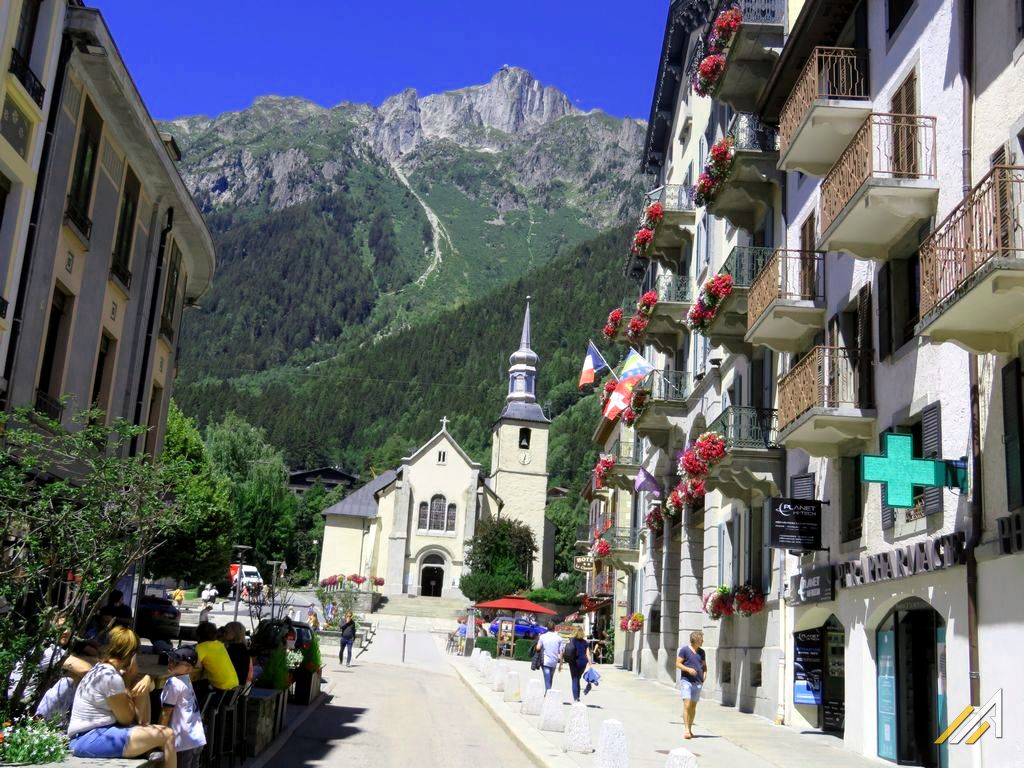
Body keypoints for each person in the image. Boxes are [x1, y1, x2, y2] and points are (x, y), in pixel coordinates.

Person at [67, 626, 176, 766]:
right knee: (167, 735)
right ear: (131, 654)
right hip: (89, 739)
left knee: (157, 732)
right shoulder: (111, 677)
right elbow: (126, 718)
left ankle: (150, 748)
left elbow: (140, 718)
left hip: (89, 736)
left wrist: (147, 680)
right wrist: (130, 680)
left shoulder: (101, 669)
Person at [159, 646, 205, 768]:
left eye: (176, 662)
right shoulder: (185, 679)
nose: (171, 663)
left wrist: (158, 736)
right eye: (170, 659)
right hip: (195, 736)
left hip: (183, 740)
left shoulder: (173, 683)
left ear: (188, 668)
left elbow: (166, 712)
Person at [676, 630, 707, 740]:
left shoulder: (702, 652)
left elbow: (704, 666)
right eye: (701, 639)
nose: (703, 641)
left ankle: (690, 728)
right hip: (686, 681)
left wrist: (704, 675)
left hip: (698, 682)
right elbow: (678, 663)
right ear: (696, 640)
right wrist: (688, 669)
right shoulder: (684, 650)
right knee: (687, 704)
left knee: (693, 706)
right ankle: (686, 730)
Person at [195, 622, 240, 691]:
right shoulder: (219, 644)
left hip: (221, 688)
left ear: (198, 635)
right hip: (234, 685)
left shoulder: (201, 647)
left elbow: (197, 666)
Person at [563, 627, 593, 702]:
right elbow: (588, 654)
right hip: (583, 663)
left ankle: (576, 698)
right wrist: (590, 664)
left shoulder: (572, 641)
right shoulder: (585, 642)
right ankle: (578, 697)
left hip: (573, 662)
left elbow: (566, 650)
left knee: (574, 679)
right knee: (577, 679)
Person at [535, 620, 564, 692]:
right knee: (550, 678)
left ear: (547, 628)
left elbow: (538, 648)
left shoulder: (542, 637)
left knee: (547, 678)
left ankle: (548, 693)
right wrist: (560, 664)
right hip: (554, 661)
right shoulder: (559, 638)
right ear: (554, 628)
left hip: (545, 660)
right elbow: (561, 652)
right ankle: (549, 692)